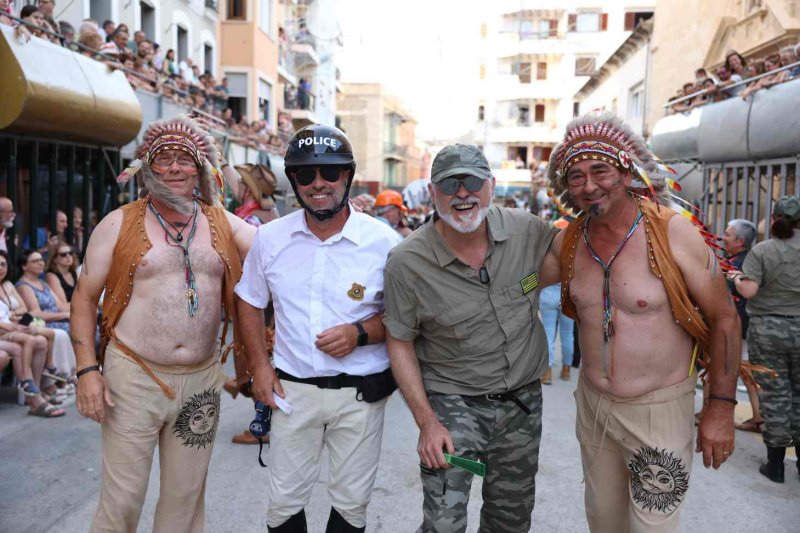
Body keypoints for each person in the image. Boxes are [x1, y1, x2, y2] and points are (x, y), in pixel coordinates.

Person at [541, 112, 740, 532]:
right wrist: (496, 281)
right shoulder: (570, 240)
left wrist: (720, 409)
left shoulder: (672, 234)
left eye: (600, 170)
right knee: (605, 523)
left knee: (654, 528)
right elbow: (523, 282)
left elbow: (725, 319)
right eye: (575, 176)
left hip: (658, 412)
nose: (590, 185)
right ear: (566, 187)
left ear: (627, 171)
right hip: (595, 409)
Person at [70, 115, 255, 532]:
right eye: (163, 159)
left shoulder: (223, 224)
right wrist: (86, 372)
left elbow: (279, 251)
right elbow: (83, 298)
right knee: (123, 497)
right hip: (133, 377)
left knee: (184, 500)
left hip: (201, 380)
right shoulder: (117, 223)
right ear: (146, 169)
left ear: (201, 169)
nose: (173, 167)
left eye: (184, 159)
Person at [383, 144, 556, 533]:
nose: (462, 193)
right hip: (453, 407)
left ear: (491, 186)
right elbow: (399, 341)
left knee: (510, 520)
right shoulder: (407, 262)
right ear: (433, 193)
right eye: (450, 184)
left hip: (521, 408)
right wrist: (427, 422)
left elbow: (575, 258)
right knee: (443, 522)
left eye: (473, 181)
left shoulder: (526, 229)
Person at [237, 124, 401, 532]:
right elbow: (250, 301)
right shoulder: (270, 239)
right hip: (293, 393)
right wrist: (259, 367)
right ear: (294, 181)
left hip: (361, 395)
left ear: (347, 176)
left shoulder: (383, 242)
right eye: (306, 175)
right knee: (282, 505)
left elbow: (406, 318)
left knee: (350, 507)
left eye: (330, 172)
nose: (318, 184)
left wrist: (360, 334)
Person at [728, 196, 800, 484]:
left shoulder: (763, 250)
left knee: (775, 393)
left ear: (774, 218)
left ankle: (776, 465)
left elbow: (749, 291)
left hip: (769, 330)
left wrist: (735, 278)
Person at [722, 219, 762, 433]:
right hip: (743, 326)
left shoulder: (739, 264)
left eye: (728, 234)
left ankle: (711, 412)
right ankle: (759, 417)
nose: (723, 237)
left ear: (740, 241)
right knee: (746, 372)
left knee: (718, 367)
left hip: (736, 327)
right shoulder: (746, 259)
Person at [17, 249, 70, 332]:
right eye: (35, 261)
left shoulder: (42, 282)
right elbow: (36, 313)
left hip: (61, 319)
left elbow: (60, 305)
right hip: (46, 324)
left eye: (41, 260)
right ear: (24, 266)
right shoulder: (23, 286)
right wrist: (64, 315)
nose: (41, 263)